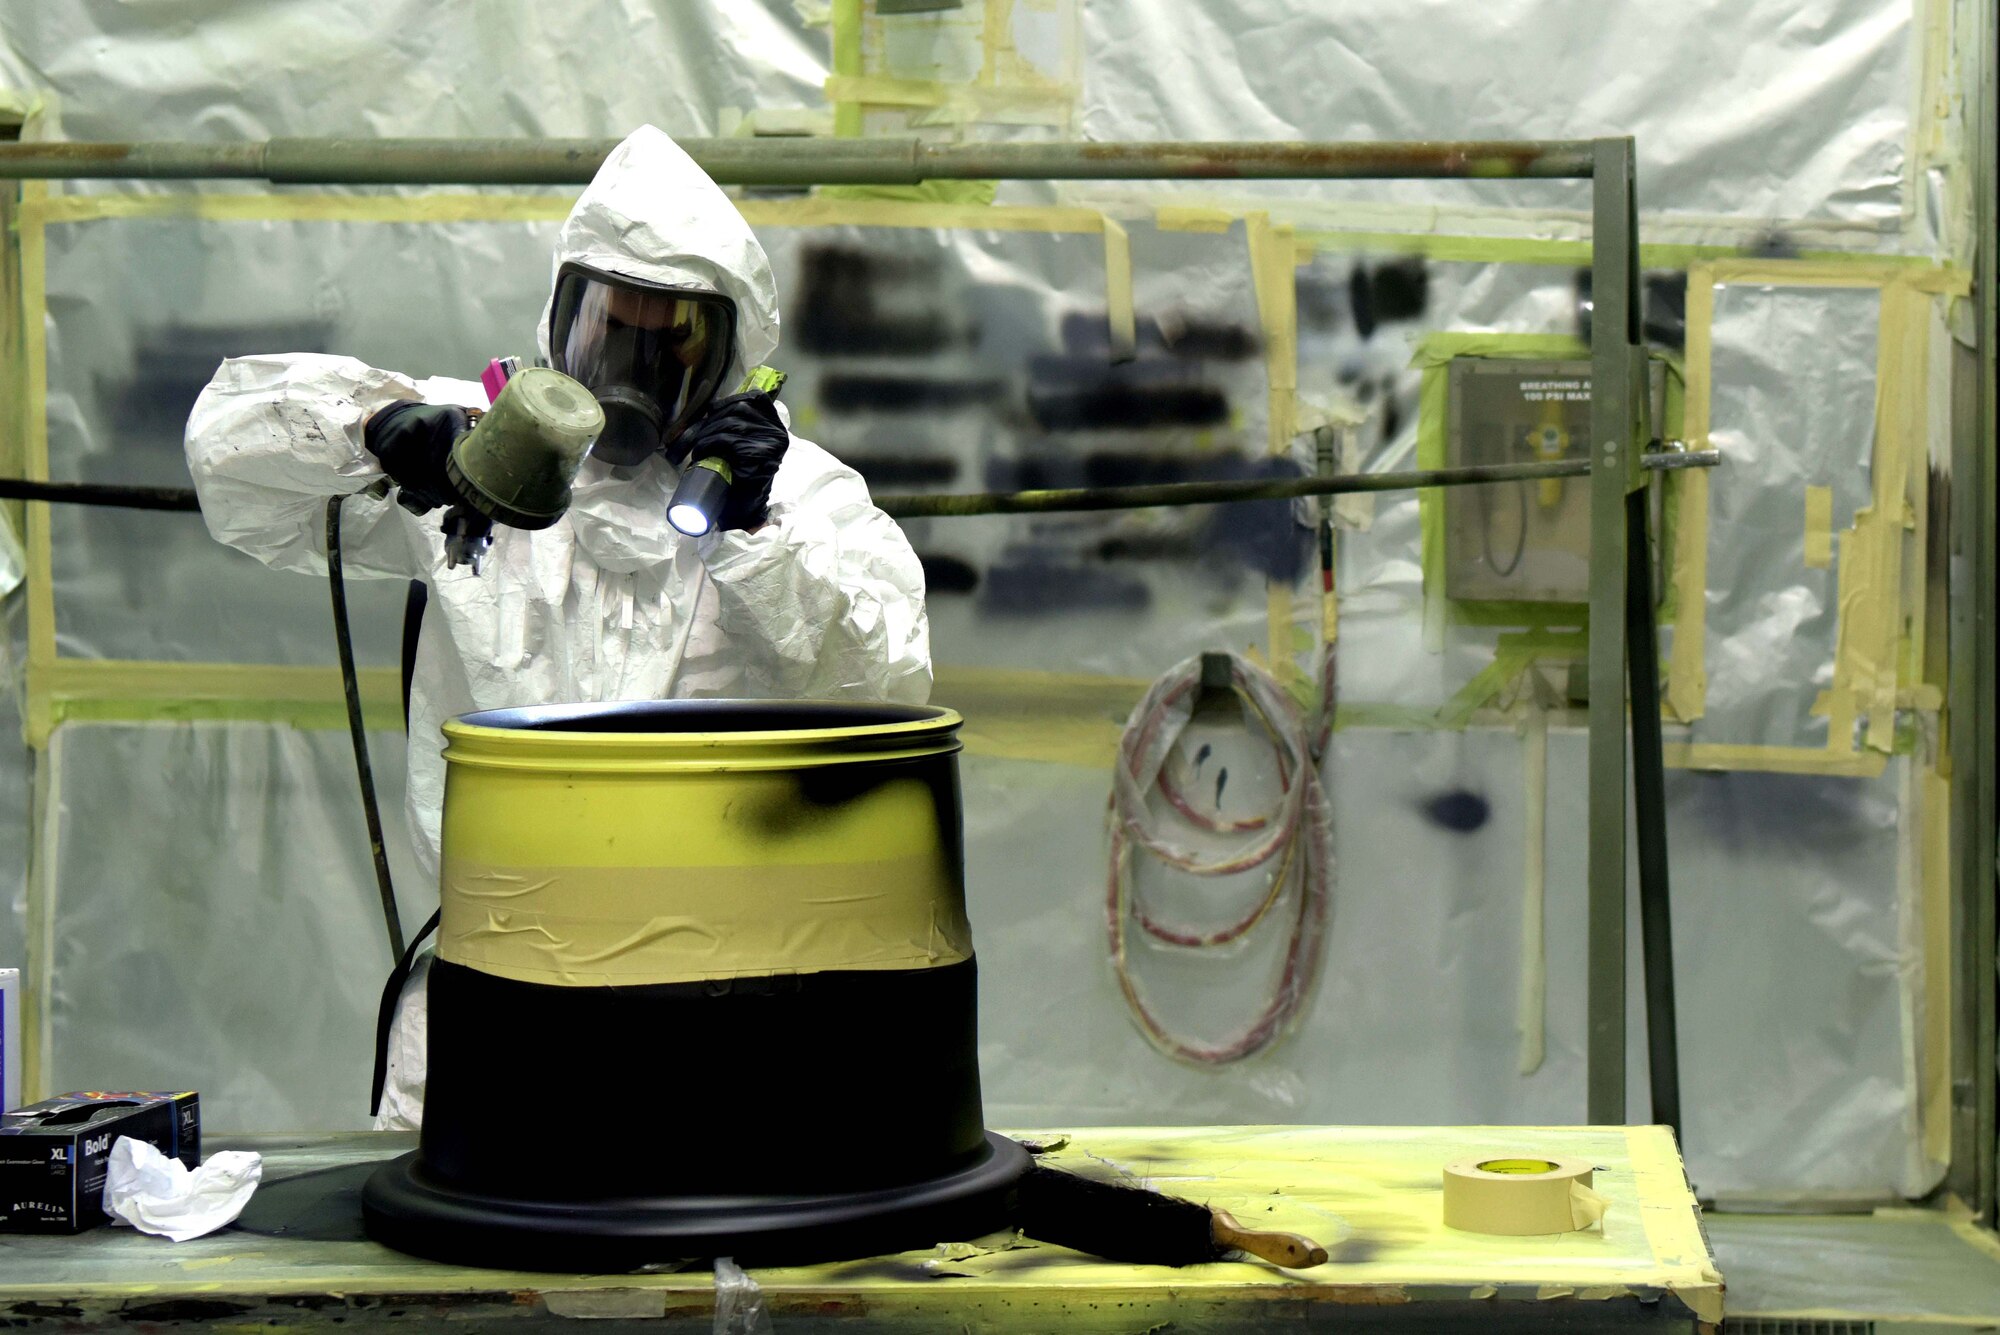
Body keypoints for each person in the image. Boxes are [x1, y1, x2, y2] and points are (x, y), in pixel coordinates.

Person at [184, 126, 931, 1128]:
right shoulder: (490, 454)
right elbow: (230, 468)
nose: (621, 368)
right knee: (468, 1281)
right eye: (600, 328)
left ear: (728, 350)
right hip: (496, 996)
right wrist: (371, 428)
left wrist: (758, 534)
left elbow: (889, 691)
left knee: (704, 1280)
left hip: (717, 1008)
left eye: (663, 342)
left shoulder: (797, 498)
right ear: (560, 319)